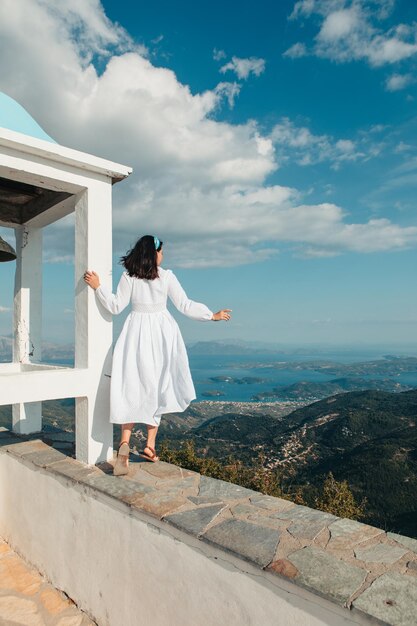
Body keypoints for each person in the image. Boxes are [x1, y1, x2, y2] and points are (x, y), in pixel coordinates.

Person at [84, 235, 231, 476]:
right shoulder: (167, 276)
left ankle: (123, 442)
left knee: (131, 385)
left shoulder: (128, 276)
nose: (163, 256)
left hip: (135, 333)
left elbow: (115, 306)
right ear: (154, 254)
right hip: (163, 335)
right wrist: (211, 316)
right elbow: (184, 304)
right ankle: (150, 446)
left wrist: (98, 286)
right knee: (159, 385)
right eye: (161, 251)